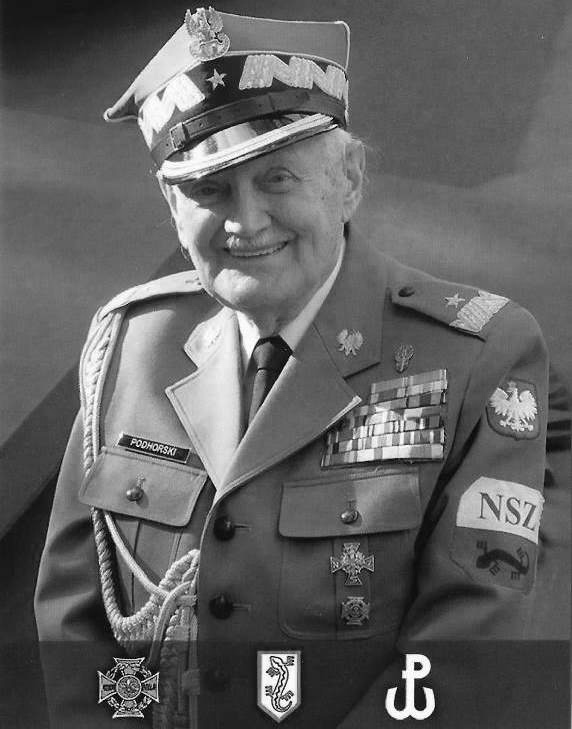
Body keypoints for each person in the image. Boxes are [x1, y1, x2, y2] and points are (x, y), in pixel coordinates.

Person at [35, 7, 557, 728]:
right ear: (170, 202)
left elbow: (468, 650)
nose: (245, 221)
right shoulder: (132, 346)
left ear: (349, 179)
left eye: (277, 178)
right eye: (210, 190)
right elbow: (76, 620)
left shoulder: (476, 357)